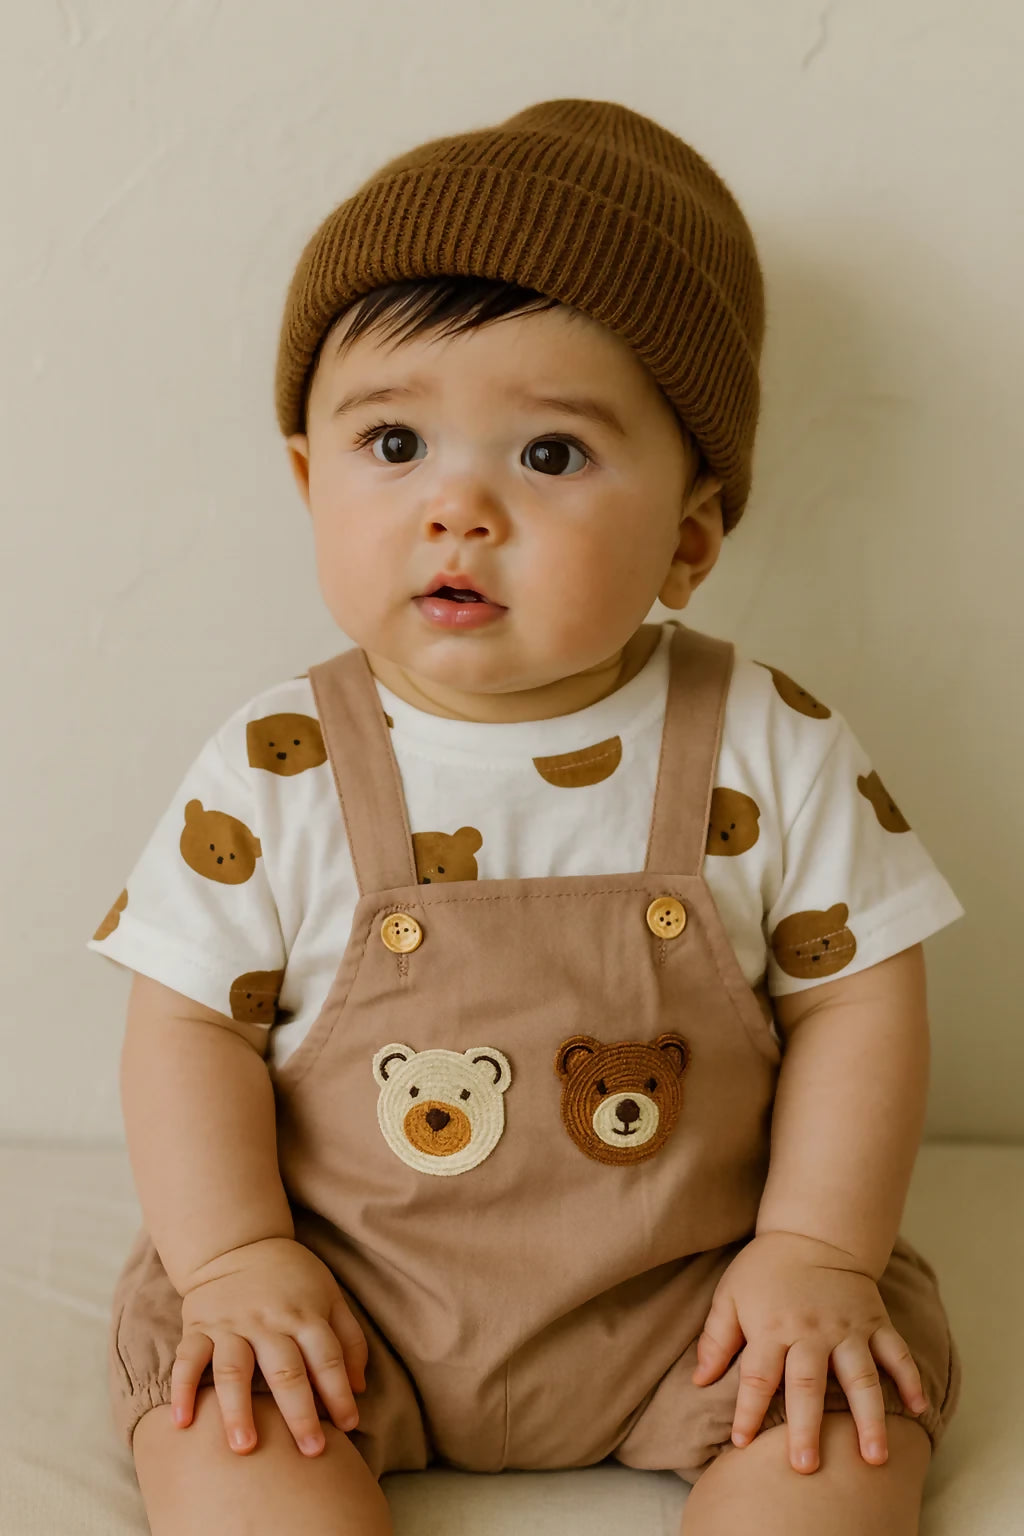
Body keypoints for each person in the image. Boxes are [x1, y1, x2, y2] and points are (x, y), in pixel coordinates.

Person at [88, 97, 964, 1535]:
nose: (460, 509)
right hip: (337, 1299)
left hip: (700, 1301)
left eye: (549, 456)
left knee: (834, 1448)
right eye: (393, 443)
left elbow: (863, 997)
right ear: (310, 481)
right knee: (229, 1432)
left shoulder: (768, 741)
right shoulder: (277, 763)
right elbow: (185, 1024)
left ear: (691, 533)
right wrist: (240, 1258)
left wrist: (815, 1250)